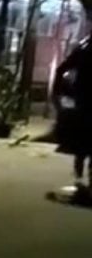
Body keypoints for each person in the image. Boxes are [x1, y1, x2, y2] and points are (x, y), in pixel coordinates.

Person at [53, 33, 92, 192]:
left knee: (82, 137)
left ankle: (79, 173)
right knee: (84, 136)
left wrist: (57, 91)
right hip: (84, 99)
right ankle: (81, 175)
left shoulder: (83, 47)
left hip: (83, 98)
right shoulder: (83, 47)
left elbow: (62, 69)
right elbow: (62, 69)